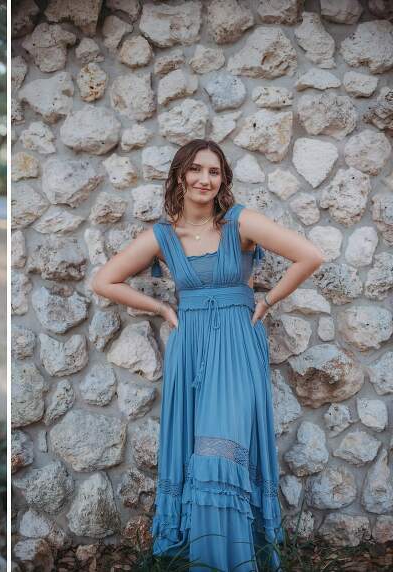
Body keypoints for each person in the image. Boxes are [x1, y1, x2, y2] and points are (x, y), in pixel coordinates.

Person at [92, 139, 324, 571]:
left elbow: (309, 256)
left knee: (221, 449)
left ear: (223, 180)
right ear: (181, 175)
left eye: (214, 172)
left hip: (237, 343)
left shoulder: (239, 223)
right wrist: (162, 307)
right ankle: (197, 557)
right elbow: (105, 281)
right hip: (190, 345)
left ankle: (234, 559)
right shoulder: (163, 236)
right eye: (196, 170)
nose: (205, 179)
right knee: (190, 449)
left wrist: (268, 300)